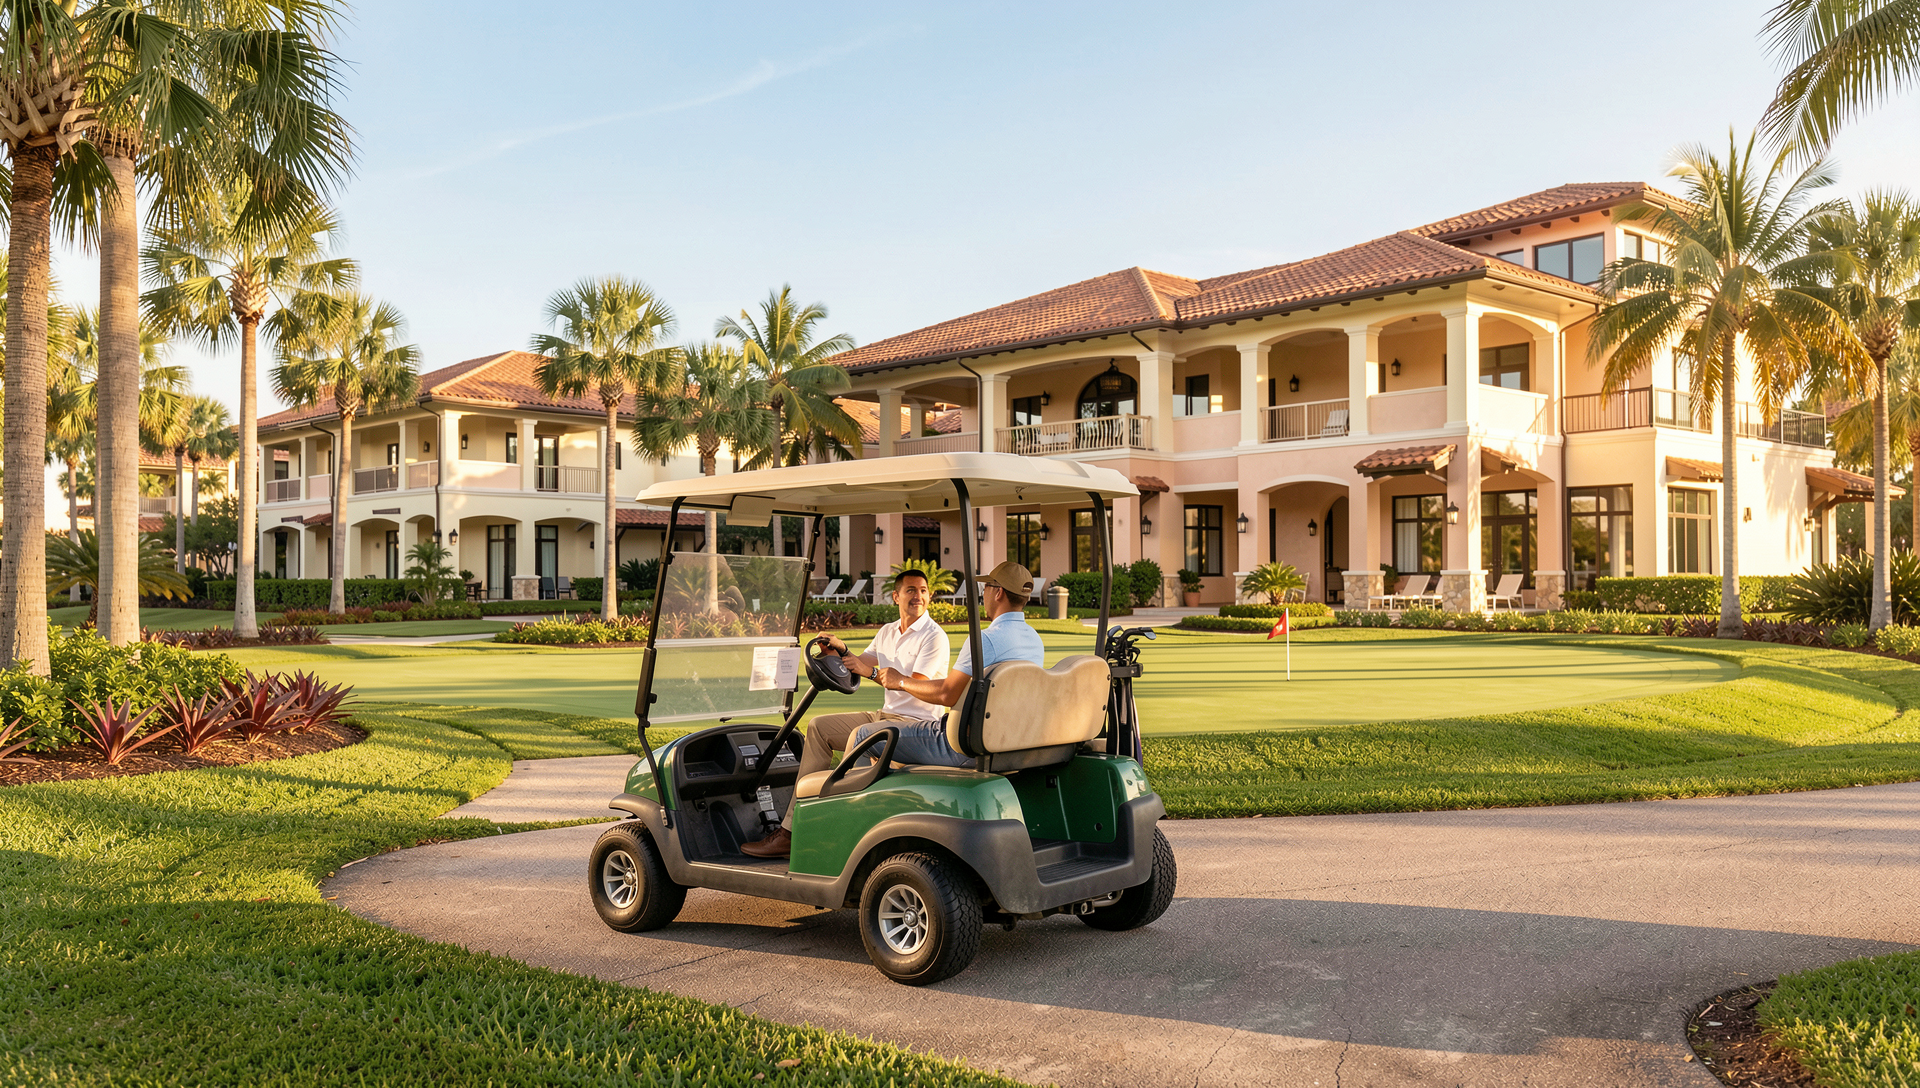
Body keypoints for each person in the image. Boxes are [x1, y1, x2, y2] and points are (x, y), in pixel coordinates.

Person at [742, 566, 948, 858]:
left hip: (916, 725)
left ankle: (844, 833)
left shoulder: (933, 636)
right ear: (896, 597)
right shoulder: (888, 631)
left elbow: (917, 684)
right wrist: (839, 650)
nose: (918, 597)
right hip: (885, 715)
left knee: (859, 738)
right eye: (911, 590)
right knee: (818, 727)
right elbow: (860, 662)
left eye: (923, 591)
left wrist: (871, 671)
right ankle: (793, 830)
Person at [856, 560, 1043, 767]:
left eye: (987, 587)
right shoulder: (1034, 640)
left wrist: (900, 681)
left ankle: (857, 799)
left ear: (998, 593)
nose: (984, 594)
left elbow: (947, 694)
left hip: (962, 745)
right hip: (1006, 740)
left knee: (864, 735)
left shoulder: (985, 640)